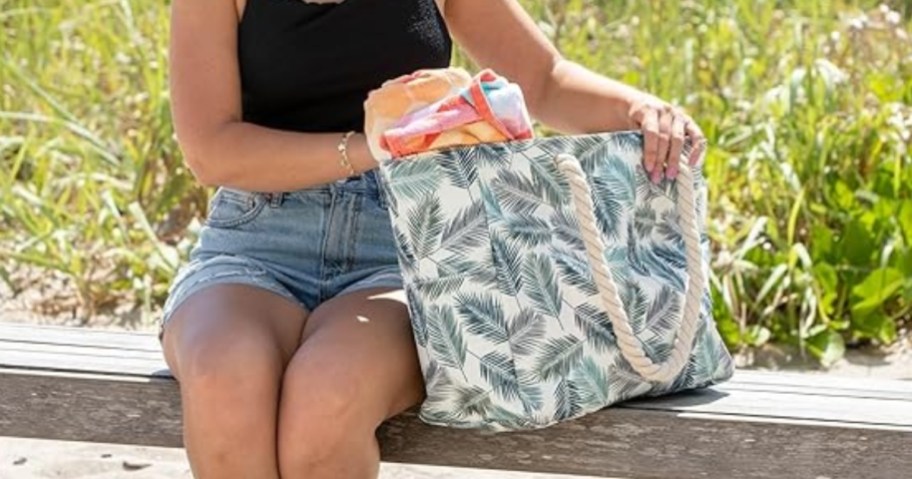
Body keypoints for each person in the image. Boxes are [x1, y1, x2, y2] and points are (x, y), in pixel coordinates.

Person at [162, 0, 706, 478]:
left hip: (406, 245)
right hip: (255, 242)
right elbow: (211, 149)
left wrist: (639, 110)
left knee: (326, 398)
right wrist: (373, 148)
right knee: (223, 379)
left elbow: (543, 80)